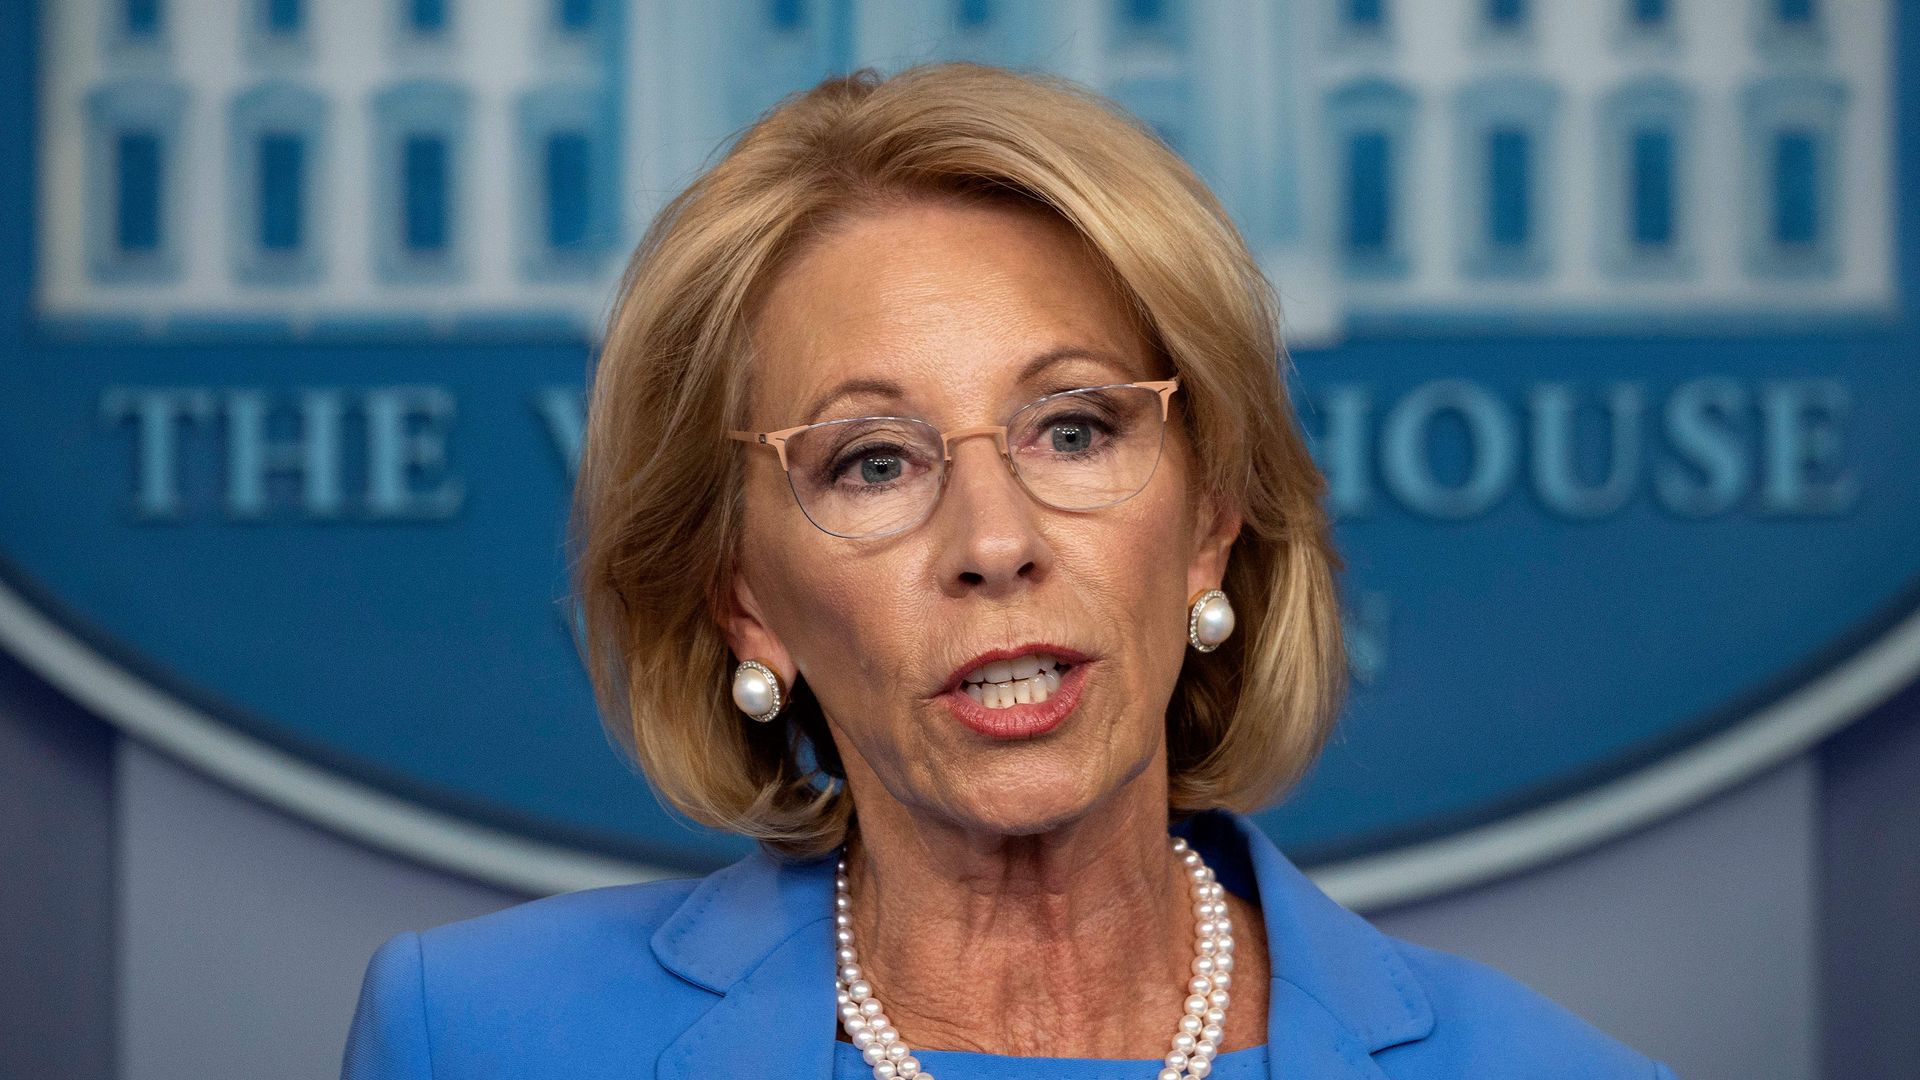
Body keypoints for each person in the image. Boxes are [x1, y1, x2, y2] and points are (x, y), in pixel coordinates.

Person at [342, 61, 1679, 1080]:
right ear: (741, 598)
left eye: (1076, 428)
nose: (995, 542)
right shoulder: (477, 1038)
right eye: (872, 462)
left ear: (1209, 520)